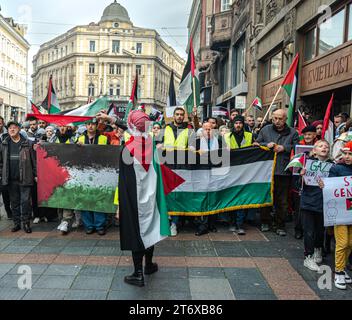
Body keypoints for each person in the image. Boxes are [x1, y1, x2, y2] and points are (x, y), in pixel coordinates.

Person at [119, 110, 160, 287]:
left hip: (133, 199)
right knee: (150, 229)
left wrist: (120, 206)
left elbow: (124, 181)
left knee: (136, 232)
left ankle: (137, 273)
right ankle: (148, 265)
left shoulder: (128, 149)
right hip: (151, 196)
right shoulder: (150, 142)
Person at [254, 109, 299, 236]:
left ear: (285, 119)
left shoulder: (293, 132)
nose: (277, 121)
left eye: (280, 119)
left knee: (282, 200)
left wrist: (284, 148)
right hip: (266, 171)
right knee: (266, 197)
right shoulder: (265, 129)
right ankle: (265, 221)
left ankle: (280, 224)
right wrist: (266, 144)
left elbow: (298, 148)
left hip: (284, 171)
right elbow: (256, 143)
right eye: (275, 118)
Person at [319, 141, 352, 290]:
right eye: (345, 153)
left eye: (350, 154)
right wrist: (324, 186)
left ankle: (343, 268)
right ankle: (338, 271)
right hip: (340, 212)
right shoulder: (337, 168)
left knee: (350, 243)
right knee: (343, 242)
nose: (346, 156)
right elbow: (330, 188)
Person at [300, 140, 332, 272]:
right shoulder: (307, 165)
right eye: (320, 146)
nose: (324, 148)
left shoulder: (333, 165)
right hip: (308, 203)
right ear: (314, 150)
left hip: (324, 203)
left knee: (320, 230)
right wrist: (301, 176)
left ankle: (318, 249)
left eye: (326, 146)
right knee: (309, 231)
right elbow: (298, 185)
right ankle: (308, 256)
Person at [0, 121, 36, 233]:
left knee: (25, 202)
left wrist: (36, 175)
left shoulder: (28, 144)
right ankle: (16, 223)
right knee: (14, 203)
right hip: (11, 179)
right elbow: (1, 162)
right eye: (9, 128)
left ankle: (26, 223)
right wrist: (2, 173)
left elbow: (34, 162)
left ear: (19, 129)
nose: (12, 129)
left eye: (14, 127)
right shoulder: (4, 144)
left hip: (25, 178)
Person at [163, 107, 193, 236]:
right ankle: (166, 221)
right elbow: (157, 143)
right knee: (167, 194)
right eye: (177, 114)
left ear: (184, 116)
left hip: (182, 165)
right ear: (173, 116)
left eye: (181, 114)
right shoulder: (166, 129)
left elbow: (192, 145)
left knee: (178, 195)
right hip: (167, 164)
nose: (179, 116)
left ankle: (174, 223)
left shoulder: (189, 130)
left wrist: (191, 147)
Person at [77, 118, 109, 236]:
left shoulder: (104, 138)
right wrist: (76, 147)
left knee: (99, 199)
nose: (90, 126)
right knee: (86, 199)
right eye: (88, 124)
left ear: (96, 126)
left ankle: (100, 225)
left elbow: (109, 155)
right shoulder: (79, 139)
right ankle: (89, 225)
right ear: (85, 126)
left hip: (100, 173)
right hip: (84, 174)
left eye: (93, 124)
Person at [191, 122, 223, 236]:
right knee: (203, 199)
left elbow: (226, 155)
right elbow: (188, 155)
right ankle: (202, 225)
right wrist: (195, 153)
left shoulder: (219, 142)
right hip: (201, 175)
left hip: (215, 174)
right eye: (206, 129)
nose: (208, 131)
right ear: (202, 130)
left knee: (213, 198)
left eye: (210, 129)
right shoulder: (196, 143)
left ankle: (211, 224)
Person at [224, 115, 253, 235]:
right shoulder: (226, 136)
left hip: (245, 171)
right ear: (233, 124)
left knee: (242, 198)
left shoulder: (250, 136)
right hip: (231, 171)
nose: (238, 125)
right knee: (231, 197)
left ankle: (240, 224)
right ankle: (231, 222)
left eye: (240, 123)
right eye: (236, 123)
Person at [291, 125, 318, 240]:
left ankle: (311, 230)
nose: (307, 136)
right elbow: (293, 161)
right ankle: (298, 229)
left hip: (315, 180)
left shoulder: (319, 145)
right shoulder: (298, 146)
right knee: (298, 206)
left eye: (310, 134)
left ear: (314, 135)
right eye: (305, 134)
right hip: (299, 179)